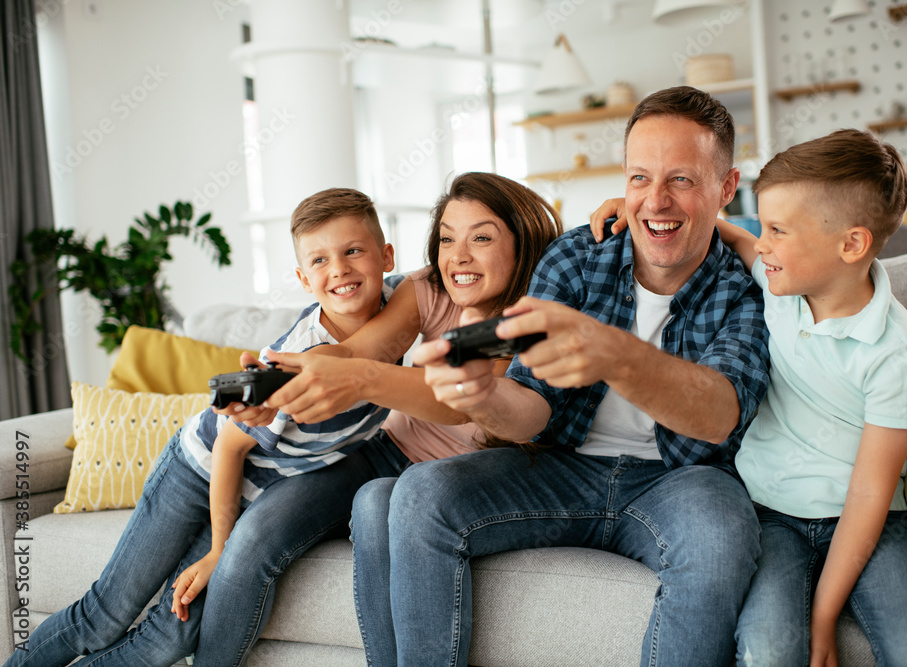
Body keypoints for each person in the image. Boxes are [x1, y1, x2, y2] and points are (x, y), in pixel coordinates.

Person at [398, 86, 771, 666]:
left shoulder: (748, 286)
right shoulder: (577, 258)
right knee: (419, 495)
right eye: (640, 178)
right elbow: (531, 406)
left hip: (680, 479)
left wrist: (614, 354)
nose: (656, 202)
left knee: (722, 534)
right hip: (562, 467)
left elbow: (719, 415)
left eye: (682, 180)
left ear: (726, 187)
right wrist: (483, 396)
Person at [3, 187, 399, 667]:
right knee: (105, 614)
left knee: (174, 635)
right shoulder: (298, 361)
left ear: (386, 256)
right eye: (319, 260)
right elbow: (229, 450)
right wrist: (218, 550)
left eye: (352, 251)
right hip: (197, 474)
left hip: (257, 495)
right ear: (302, 278)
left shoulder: (403, 306)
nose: (338, 270)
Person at [203, 171, 562, 666]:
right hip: (386, 450)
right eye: (446, 239)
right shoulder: (428, 289)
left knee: (374, 502)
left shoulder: (534, 321)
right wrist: (287, 374)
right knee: (256, 537)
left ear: (523, 245)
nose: (458, 255)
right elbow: (354, 352)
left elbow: (460, 400)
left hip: (460, 474)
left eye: (481, 237)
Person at [716, 130, 907, 666]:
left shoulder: (896, 353)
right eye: (763, 225)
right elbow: (728, 236)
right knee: (768, 652)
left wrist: (824, 617)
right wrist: (643, 208)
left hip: (874, 519)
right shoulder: (782, 282)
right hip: (769, 513)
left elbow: (869, 498)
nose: (763, 243)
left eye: (777, 229)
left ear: (851, 245)